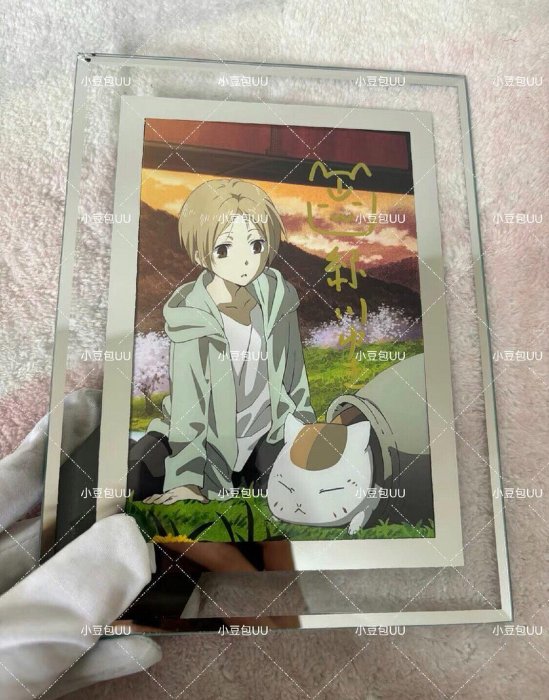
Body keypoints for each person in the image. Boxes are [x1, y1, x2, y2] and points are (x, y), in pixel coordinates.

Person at [142, 178, 316, 505]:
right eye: (224, 249)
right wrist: (188, 479)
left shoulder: (279, 299)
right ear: (201, 253)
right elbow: (188, 406)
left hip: (269, 438)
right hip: (209, 443)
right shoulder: (191, 316)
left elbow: (295, 381)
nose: (245, 261)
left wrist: (305, 436)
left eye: (256, 245)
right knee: (132, 478)